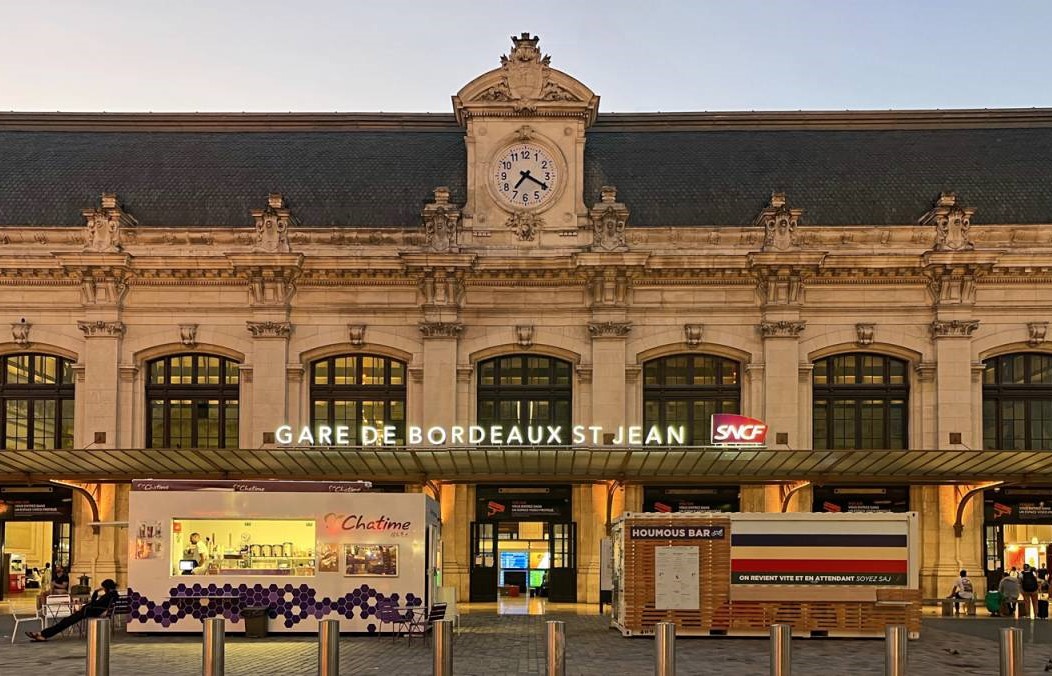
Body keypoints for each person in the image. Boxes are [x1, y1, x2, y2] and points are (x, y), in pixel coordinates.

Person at [26, 579, 118, 642]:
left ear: (106, 587)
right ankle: (42, 634)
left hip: (88, 612)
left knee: (64, 622)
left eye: (104, 587)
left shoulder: (108, 596)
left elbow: (94, 603)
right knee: (64, 622)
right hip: (89, 611)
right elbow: (97, 604)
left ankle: (42, 634)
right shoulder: (113, 595)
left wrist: (95, 593)